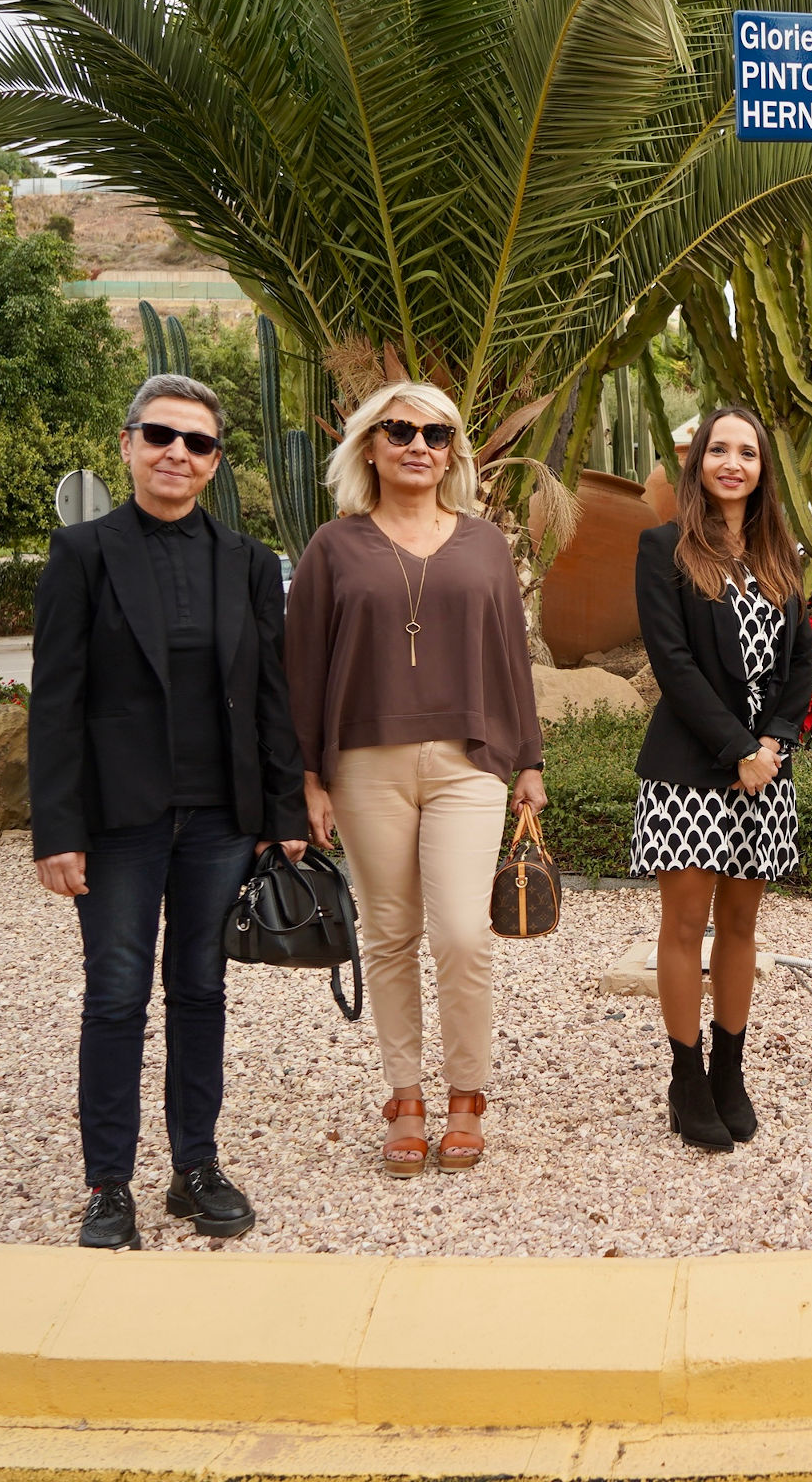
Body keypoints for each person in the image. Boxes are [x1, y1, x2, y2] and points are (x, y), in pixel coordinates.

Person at [30, 373, 309, 1250]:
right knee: (115, 996)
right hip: (118, 822)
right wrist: (57, 829)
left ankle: (195, 1167)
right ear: (128, 444)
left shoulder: (250, 562)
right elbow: (56, 701)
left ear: (216, 462)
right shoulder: (82, 555)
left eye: (197, 444)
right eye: (161, 436)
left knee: (200, 990)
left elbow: (273, 695)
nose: (177, 455)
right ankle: (109, 1183)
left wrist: (284, 807)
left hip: (219, 822)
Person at [284, 382, 545, 1179]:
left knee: (463, 935)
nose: (417, 445)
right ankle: (405, 1097)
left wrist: (528, 760)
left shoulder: (484, 544)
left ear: (454, 452)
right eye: (399, 430)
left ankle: (468, 1093)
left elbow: (510, 659)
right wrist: (307, 776)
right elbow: (301, 668)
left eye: (436, 433)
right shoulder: (333, 546)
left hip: (469, 764)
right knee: (390, 937)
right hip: (364, 765)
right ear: (370, 445)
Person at [629, 406, 812, 1150]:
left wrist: (772, 741)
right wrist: (737, 747)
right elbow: (672, 665)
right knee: (684, 928)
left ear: (763, 467)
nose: (732, 462)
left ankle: (730, 1072)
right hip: (691, 773)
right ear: (698, 460)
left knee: (741, 927)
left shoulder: (780, 555)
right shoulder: (662, 548)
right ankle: (686, 1077)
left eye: (747, 452)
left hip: (763, 773)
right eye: (718, 449)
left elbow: (799, 663)